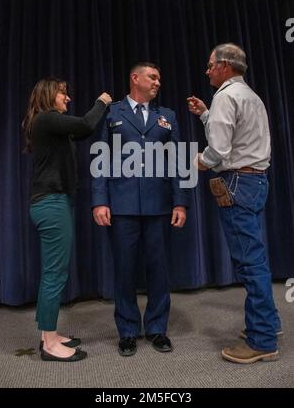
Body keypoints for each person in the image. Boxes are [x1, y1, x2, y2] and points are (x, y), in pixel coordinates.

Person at [187, 43, 282, 364]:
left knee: (249, 263)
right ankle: (269, 325)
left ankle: (262, 340)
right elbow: (232, 133)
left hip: (238, 182)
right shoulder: (249, 96)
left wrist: (196, 161)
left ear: (225, 65)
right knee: (255, 257)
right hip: (256, 181)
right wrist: (204, 115)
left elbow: (219, 152)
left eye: (211, 65)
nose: (207, 70)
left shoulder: (225, 97)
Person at [92, 62, 189, 356]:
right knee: (124, 269)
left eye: (159, 78)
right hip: (122, 206)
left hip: (159, 205)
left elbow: (177, 161)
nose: (158, 82)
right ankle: (128, 330)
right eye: (153, 77)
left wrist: (180, 202)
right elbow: (101, 159)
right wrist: (100, 200)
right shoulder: (112, 113)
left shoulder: (167, 116)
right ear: (135, 78)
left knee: (159, 268)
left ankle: (157, 328)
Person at [22, 77, 112, 362]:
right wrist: (103, 101)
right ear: (49, 95)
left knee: (53, 271)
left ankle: (47, 333)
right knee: (54, 274)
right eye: (63, 94)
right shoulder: (47, 119)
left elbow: (82, 132)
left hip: (52, 203)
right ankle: (49, 344)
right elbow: (85, 124)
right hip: (51, 204)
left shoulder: (51, 125)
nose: (68, 99)